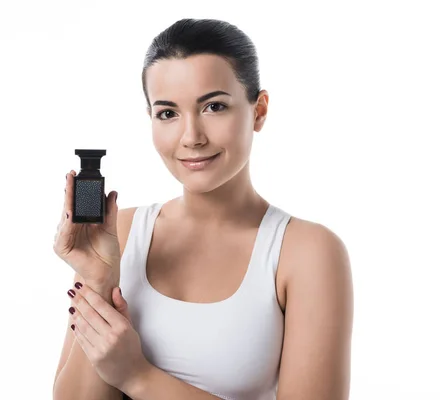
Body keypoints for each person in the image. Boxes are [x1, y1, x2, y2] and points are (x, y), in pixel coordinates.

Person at [52, 18, 354, 400]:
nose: (191, 137)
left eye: (214, 106)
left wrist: (138, 376)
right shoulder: (121, 233)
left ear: (258, 110)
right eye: (168, 113)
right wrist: (97, 281)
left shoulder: (306, 252)